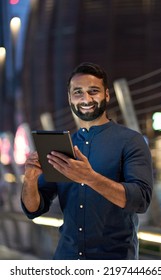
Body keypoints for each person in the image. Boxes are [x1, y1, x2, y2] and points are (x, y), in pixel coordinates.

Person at [21, 62, 153, 260]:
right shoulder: (62, 147)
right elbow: (34, 210)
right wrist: (30, 179)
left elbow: (140, 200)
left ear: (107, 95)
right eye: (78, 92)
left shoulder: (131, 141)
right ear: (70, 98)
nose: (86, 98)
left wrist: (90, 178)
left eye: (94, 91)